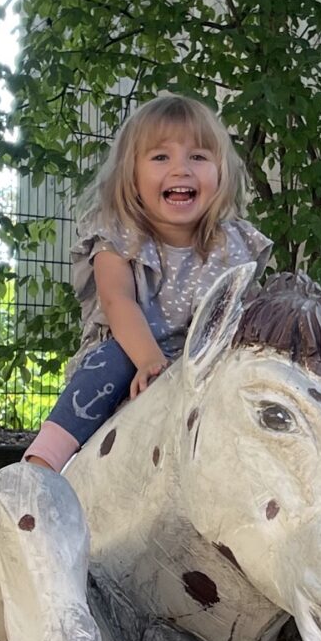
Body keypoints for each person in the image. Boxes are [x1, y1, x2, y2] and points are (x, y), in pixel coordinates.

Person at [23, 94, 271, 470]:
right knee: (112, 361)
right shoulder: (119, 235)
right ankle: (43, 463)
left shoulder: (235, 243)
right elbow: (117, 300)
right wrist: (151, 361)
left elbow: (246, 314)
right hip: (133, 349)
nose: (181, 169)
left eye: (198, 157)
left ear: (220, 173)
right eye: (160, 157)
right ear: (132, 176)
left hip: (204, 360)